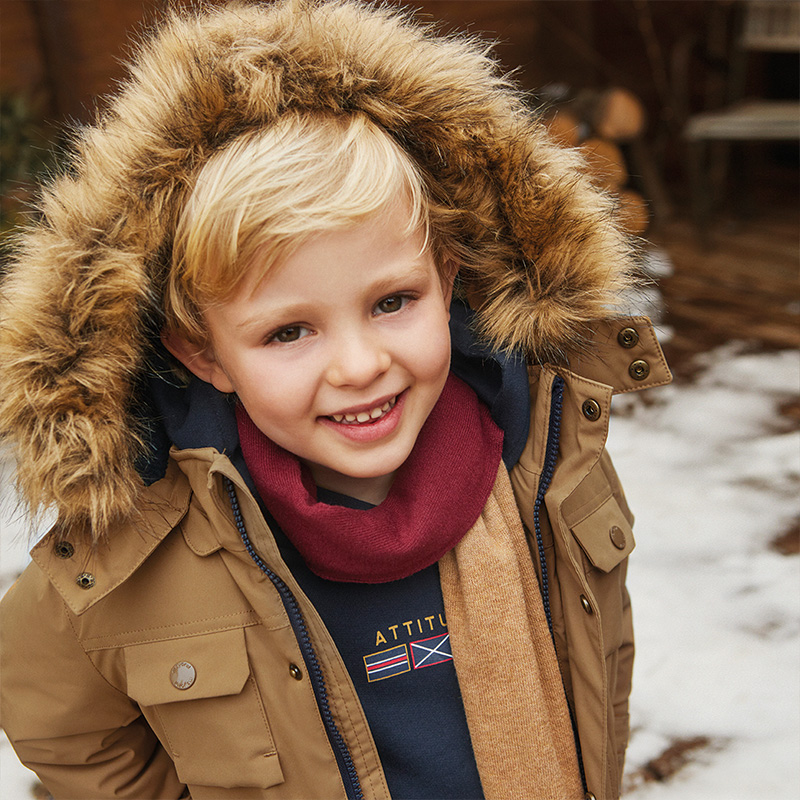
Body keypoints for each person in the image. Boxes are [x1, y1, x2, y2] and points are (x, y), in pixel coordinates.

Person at [0, 2, 671, 799]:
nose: (358, 366)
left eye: (392, 302)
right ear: (206, 353)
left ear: (446, 278)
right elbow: (56, 718)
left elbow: (600, 656)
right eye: (289, 332)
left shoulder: (542, 451)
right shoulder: (142, 545)